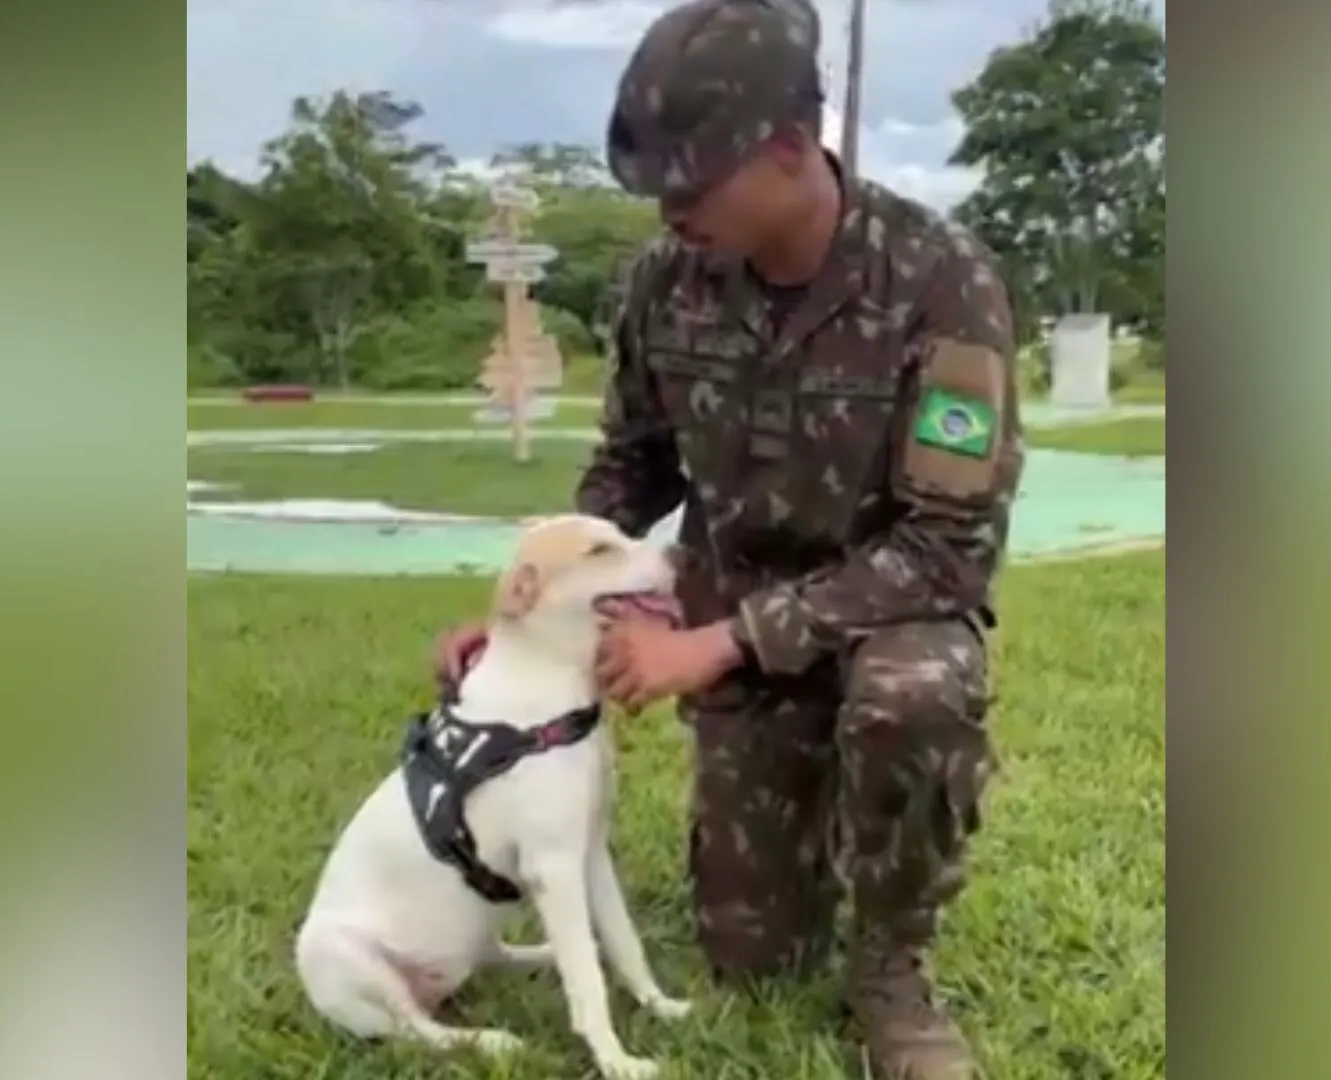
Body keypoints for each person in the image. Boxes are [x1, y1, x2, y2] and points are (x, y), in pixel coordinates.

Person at [433, 1, 1025, 1076]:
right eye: (655, 186)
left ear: (792, 149)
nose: (668, 211)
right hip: (736, 637)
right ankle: (804, 826)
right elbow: (629, 470)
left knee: (915, 691)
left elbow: (947, 546)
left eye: (690, 183)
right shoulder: (666, 284)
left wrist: (713, 644)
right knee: (752, 956)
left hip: (883, 623)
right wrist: (529, 616)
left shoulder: (941, 282)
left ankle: (893, 970)